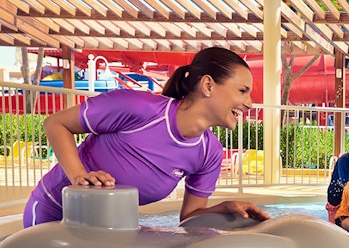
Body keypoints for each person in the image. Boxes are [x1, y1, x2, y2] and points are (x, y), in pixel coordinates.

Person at [23, 47, 270, 228]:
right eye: (242, 91)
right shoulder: (139, 107)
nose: (249, 103)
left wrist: (224, 208)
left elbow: (189, 218)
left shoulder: (208, 152)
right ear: (208, 86)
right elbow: (56, 122)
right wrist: (79, 176)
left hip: (104, 229)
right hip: (53, 214)